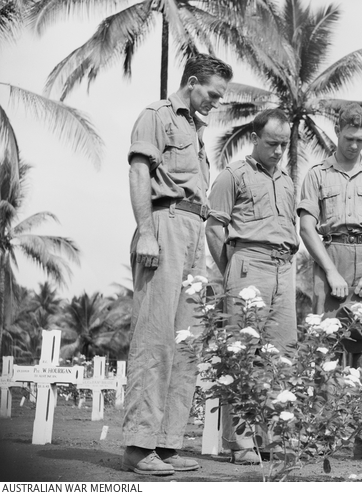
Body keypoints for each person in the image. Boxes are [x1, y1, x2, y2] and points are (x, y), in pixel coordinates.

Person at [122, 54, 233, 475]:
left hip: (193, 230)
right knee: (154, 338)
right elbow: (138, 173)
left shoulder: (195, 130)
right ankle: (138, 444)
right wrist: (146, 231)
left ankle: (165, 445)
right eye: (213, 94)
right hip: (164, 224)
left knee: (187, 342)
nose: (215, 103)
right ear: (191, 82)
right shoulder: (157, 116)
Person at [298, 103, 362, 461]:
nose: (356, 145)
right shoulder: (317, 174)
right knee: (325, 348)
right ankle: (322, 436)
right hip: (332, 255)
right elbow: (307, 227)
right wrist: (330, 271)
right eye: (349, 138)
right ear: (337, 132)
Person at [206, 108, 299, 464]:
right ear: (256, 139)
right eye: (272, 143)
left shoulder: (288, 180)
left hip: (283, 268)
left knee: (280, 355)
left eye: (284, 145)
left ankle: (271, 439)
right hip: (248, 264)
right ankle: (242, 444)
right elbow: (215, 229)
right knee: (242, 355)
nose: (278, 151)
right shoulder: (233, 176)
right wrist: (233, 273)